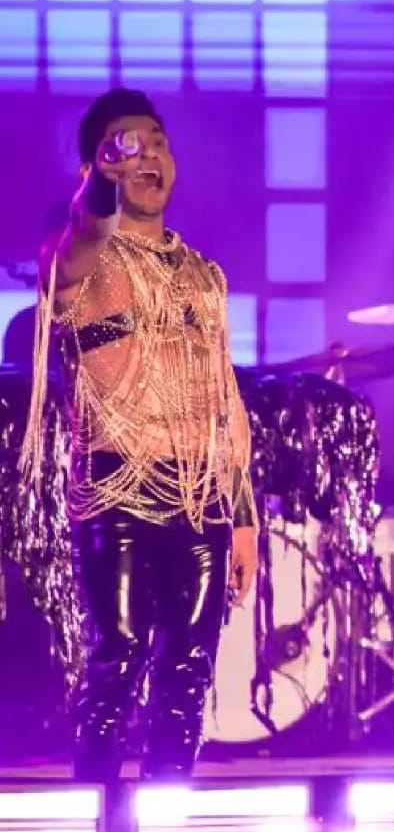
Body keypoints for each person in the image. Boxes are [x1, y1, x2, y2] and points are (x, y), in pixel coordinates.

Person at [19, 88, 258, 782]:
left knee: (190, 665)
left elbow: (225, 399)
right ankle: (101, 831)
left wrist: (243, 519)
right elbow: (87, 228)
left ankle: (167, 818)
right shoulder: (80, 258)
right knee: (118, 655)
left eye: (156, 141)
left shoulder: (204, 276)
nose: (146, 154)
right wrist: (105, 179)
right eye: (126, 144)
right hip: (117, 483)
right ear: (93, 165)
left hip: (200, 494)